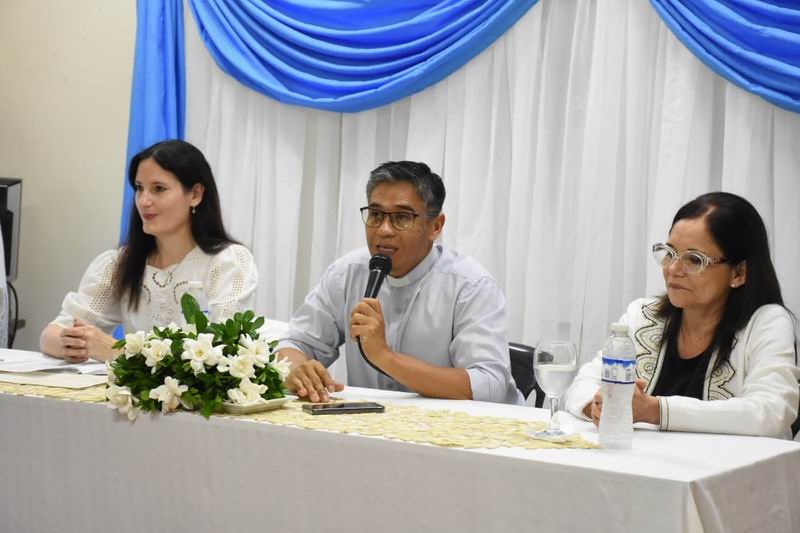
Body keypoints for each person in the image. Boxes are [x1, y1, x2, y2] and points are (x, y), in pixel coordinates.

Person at [277, 161, 520, 404]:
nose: (384, 230)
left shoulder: (471, 285)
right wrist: (297, 372)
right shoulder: (346, 273)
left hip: (463, 424)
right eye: (375, 215)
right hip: (373, 422)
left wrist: (384, 356)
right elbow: (294, 344)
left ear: (435, 226)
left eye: (402, 218)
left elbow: (489, 385)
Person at [564, 192, 799, 439]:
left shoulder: (767, 322)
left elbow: (771, 412)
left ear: (739, 273)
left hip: (727, 464)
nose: (673, 269)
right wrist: (599, 406)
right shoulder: (643, 315)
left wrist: (655, 410)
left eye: (694, 260)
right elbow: (582, 386)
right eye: (669, 253)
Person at [40, 140, 258, 362]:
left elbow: (221, 355)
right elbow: (52, 334)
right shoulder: (119, 263)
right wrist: (73, 344)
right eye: (139, 188)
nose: (144, 201)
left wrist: (116, 351)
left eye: (159, 189)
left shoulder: (228, 262)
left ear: (195, 194)